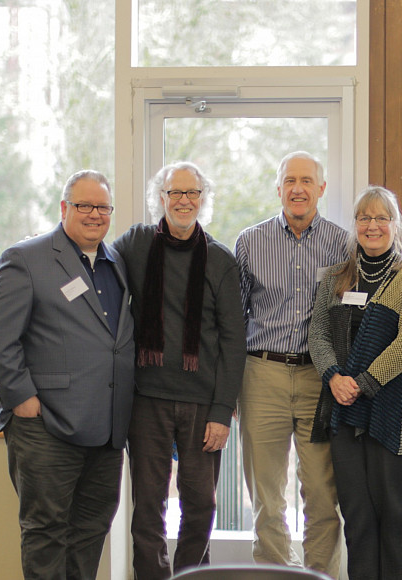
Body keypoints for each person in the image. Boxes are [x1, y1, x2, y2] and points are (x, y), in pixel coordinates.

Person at [0, 170, 134, 579]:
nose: (94, 215)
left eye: (102, 207)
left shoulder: (115, 261)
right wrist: (21, 400)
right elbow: (0, 339)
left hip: (105, 429)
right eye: (84, 205)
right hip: (46, 426)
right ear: (64, 208)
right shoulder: (25, 258)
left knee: (90, 531)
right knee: (46, 532)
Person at [114, 162, 246, 579]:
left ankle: (191, 575)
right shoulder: (135, 244)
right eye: (176, 193)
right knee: (149, 506)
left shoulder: (221, 261)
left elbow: (233, 340)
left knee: (202, 505)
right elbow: (94, 260)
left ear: (203, 199)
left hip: (201, 403)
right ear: (161, 197)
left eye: (192, 193)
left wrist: (222, 411)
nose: (184, 200)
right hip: (147, 399)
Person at [308, 186, 402, 580]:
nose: (373, 225)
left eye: (382, 218)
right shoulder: (335, 276)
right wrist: (333, 377)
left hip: (391, 413)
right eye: (365, 218)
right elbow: (318, 336)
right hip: (343, 413)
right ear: (356, 225)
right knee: (357, 515)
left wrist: (361, 382)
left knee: (395, 512)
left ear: (395, 226)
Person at [235, 151, 348, 577]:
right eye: (289, 180)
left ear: (321, 188)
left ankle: (321, 574)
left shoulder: (342, 244)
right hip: (260, 374)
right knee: (266, 493)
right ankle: (275, 573)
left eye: (306, 180)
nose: (297, 188)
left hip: (320, 378)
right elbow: (234, 318)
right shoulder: (250, 242)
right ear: (278, 188)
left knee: (321, 493)